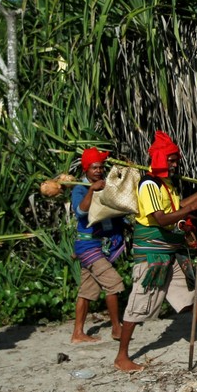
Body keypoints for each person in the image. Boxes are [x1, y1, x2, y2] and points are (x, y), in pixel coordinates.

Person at [114, 131, 197, 371]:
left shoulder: (166, 185)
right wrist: (196, 205)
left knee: (192, 293)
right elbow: (160, 218)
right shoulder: (149, 184)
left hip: (171, 252)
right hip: (152, 255)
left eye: (175, 159)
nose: (175, 163)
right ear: (159, 158)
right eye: (170, 159)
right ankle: (122, 357)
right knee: (139, 303)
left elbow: (179, 207)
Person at [70, 147, 126, 343]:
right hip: (88, 246)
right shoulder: (80, 188)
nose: (98, 171)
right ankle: (116, 328)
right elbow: (80, 212)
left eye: (101, 167)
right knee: (113, 283)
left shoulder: (106, 186)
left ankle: (77, 333)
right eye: (94, 167)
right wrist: (92, 191)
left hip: (101, 245)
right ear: (86, 169)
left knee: (87, 291)